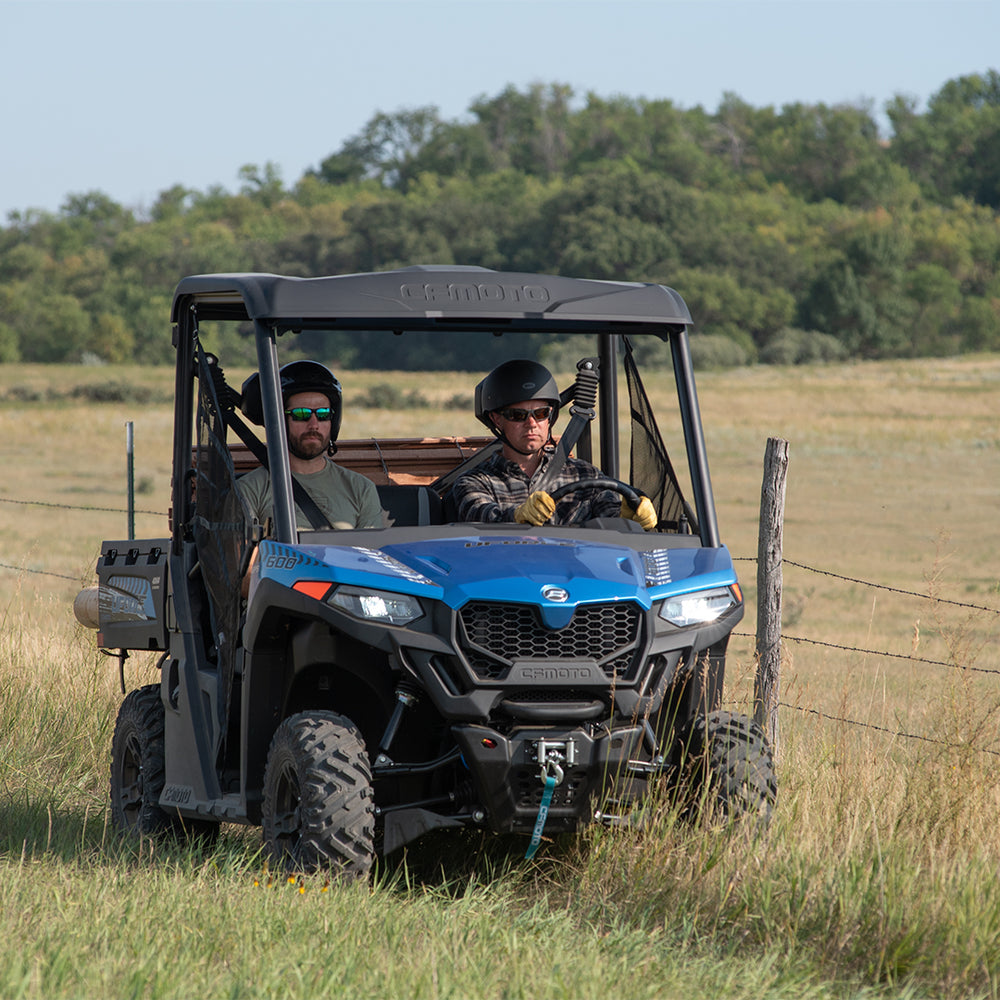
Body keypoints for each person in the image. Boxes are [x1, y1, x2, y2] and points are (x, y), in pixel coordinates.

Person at [452, 359, 657, 529]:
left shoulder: (585, 475)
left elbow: (610, 519)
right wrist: (516, 517)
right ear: (497, 420)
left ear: (550, 417)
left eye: (540, 414)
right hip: (508, 574)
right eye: (518, 415)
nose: (531, 424)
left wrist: (630, 517)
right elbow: (482, 516)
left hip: (577, 575)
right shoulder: (474, 482)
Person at [237, 360, 383, 532]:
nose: (314, 425)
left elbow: (369, 556)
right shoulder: (250, 489)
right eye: (301, 414)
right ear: (280, 421)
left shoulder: (360, 489)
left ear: (333, 422)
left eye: (323, 414)